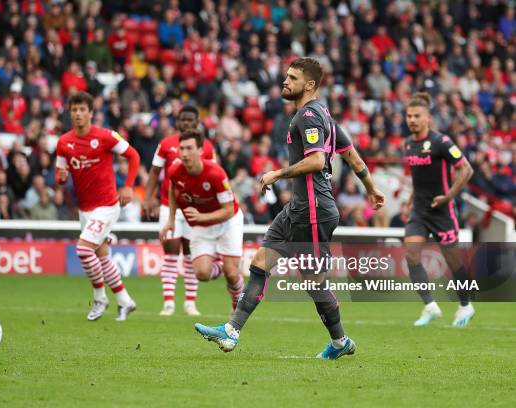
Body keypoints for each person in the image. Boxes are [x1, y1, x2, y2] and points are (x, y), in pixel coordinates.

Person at [194, 58, 385, 360]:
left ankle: (340, 342)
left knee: (313, 282)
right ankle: (231, 331)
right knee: (260, 261)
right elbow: (355, 160)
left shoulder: (308, 116)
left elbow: (317, 161)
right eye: (286, 76)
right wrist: (372, 189)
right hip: (299, 207)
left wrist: (277, 173)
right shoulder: (326, 118)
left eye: (292, 78)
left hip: (312, 209)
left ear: (309, 85)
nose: (285, 81)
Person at [55, 92, 140, 321]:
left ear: (91, 113)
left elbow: (133, 156)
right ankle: (125, 301)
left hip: (107, 204)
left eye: (83, 109)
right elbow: (60, 175)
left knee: (83, 250)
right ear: (70, 113)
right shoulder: (63, 143)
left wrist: (129, 186)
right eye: (74, 110)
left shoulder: (106, 136)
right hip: (85, 209)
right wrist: (62, 177)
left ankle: (99, 298)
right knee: (101, 256)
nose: (78, 114)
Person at [402, 92, 474, 327]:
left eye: (417, 116)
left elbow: (466, 169)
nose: (412, 120)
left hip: (442, 212)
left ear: (428, 118)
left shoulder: (441, 142)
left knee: (453, 261)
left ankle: (465, 306)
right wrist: (410, 200)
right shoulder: (408, 144)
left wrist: (448, 197)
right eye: (409, 116)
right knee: (411, 256)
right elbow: (417, 177)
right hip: (420, 212)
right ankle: (430, 306)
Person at [160, 129, 244, 312]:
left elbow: (228, 210)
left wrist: (201, 217)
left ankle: (238, 303)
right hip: (202, 226)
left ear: (200, 150)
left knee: (231, 275)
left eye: (189, 148)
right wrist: (171, 220)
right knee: (202, 274)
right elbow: (173, 189)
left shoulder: (216, 174)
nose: (184, 153)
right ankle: (227, 265)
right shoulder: (175, 170)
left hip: (228, 223)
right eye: (181, 148)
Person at [144, 106, 215, 316]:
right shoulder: (166, 144)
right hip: (169, 205)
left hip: (195, 207)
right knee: (171, 250)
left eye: (190, 120)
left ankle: (190, 302)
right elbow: (155, 172)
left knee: (191, 252)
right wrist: (148, 197)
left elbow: (212, 176)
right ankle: (168, 302)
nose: (186, 123)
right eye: (183, 120)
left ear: (197, 123)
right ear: (178, 122)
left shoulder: (207, 147)